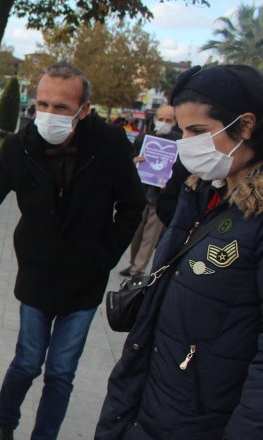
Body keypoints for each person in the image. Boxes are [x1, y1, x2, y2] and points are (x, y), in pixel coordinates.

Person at [0, 62, 145, 440]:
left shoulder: (110, 143)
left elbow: (132, 206)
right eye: (42, 104)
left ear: (85, 109)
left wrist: (104, 257)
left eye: (61, 107)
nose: (48, 114)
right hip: (36, 274)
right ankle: (3, 426)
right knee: (28, 362)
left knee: (61, 371)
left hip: (86, 280)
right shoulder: (20, 146)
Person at [97, 64, 263, 440]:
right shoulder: (201, 192)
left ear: (245, 126)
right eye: (183, 130)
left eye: (198, 131)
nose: (185, 142)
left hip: (201, 421)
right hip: (149, 403)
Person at [119, 104, 183, 277]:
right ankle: (133, 263)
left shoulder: (179, 142)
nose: (164, 122)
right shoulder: (143, 138)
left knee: (150, 235)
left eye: (168, 120)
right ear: (155, 119)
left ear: (174, 122)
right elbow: (129, 160)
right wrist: (134, 161)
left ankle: (138, 268)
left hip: (161, 196)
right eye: (161, 119)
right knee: (136, 232)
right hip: (141, 193)